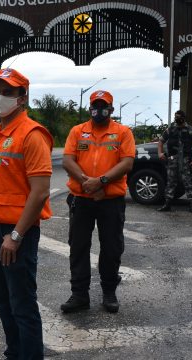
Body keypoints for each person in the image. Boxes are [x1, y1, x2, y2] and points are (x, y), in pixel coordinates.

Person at [0, 68, 52, 360]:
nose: (0, 97)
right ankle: (14, 352)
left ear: (22, 97)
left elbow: (40, 192)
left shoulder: (32, 135)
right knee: (2, 301)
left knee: (22, 305)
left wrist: (15, 236)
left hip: (17, 234)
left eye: (8, 92)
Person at [59, 90, 135, 314]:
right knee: (79, 247)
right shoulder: (77, 131)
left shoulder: (123, 133)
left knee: (111, 248)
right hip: (81, 200)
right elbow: (67, 160)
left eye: (104, 106)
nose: (99, 109)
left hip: (110, 201)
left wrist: (100, 182)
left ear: (111, 110)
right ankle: (79, 295)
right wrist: (87, 183)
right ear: (89, 108)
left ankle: (109, 293)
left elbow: (127, 163)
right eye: (95, 105)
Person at [156, 110, 192, 213]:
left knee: (188, 182)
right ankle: (167, 204)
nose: (177, 119)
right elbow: (161, 141)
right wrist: (160, 153)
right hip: (172, 159)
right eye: (176, 117)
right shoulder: (171, 129)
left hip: (185, 160)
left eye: (179, 117)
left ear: (184, 118)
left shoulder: (190, 130)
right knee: (171, 182)